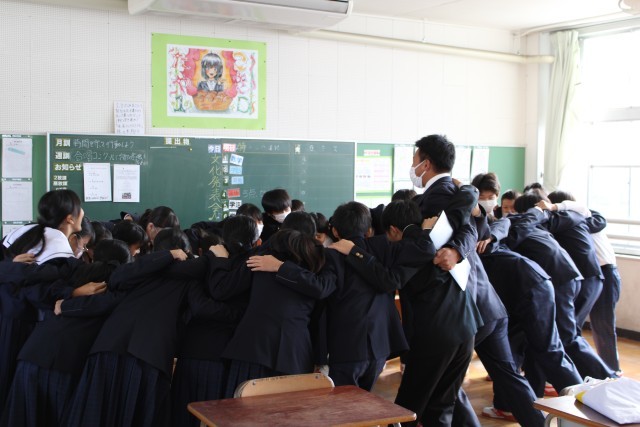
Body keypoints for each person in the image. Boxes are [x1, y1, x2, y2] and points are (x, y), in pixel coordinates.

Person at [395, 134, 483, 427]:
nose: (412, 166)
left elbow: (423, 253)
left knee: (407, 409)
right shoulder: (456, 194)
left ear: (426, 163)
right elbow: (471, 229)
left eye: (414, 160)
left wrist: (410, 233)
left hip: (436, 320)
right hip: (462, 323)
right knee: (440, 409)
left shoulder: (437, 197)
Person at [64, 228, 191, 427]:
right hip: (146, 357)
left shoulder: (140, 270)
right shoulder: (183, 279)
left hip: (111, 347)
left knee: (96, 415)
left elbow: (117, 278)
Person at [0, 239, 134, 427]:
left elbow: (36, 291)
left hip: (33, 352)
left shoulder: (74, 270)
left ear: (92, 254)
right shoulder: (117, 286)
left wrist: (69, 297)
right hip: (66, 363)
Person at [0, 189, 91, 414]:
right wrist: (74, 293)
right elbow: (41, 294)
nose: (83, 212)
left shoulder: (23, 233)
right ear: (69, 218)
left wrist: (11, 267)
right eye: (79, 208)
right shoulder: (58, 250)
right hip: (25, 325)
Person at [171, 215, 256, 427]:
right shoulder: (253, 265)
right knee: (214, 418)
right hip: (221, 354)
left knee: (186, 415)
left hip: (198, 351)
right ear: (256, 241)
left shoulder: (210, 261)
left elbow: (198, 302)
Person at [543, 190, 622, 375]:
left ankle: (611, 372)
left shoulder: (584, 216)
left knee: (602, 325)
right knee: (578, 326)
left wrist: (554, 207)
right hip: (592, 275)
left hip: (604, 272)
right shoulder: (574, 221)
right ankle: (593, 371)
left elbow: (586, 213)